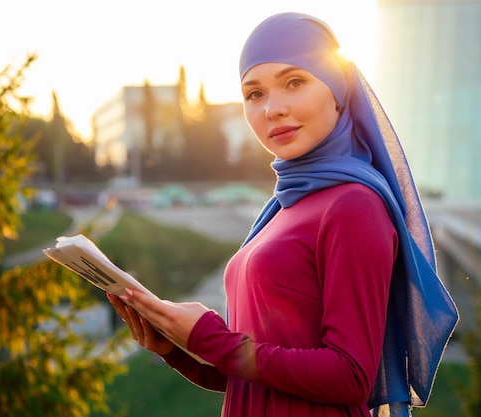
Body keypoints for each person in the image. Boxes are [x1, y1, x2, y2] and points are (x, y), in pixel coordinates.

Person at [108, 12, 458, 417]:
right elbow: (257, 375)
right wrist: (179, 349)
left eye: (294, 82)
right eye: (254, 94)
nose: (273, 108)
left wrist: (211, 337)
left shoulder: (354, 206)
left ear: (337, 89)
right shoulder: (282, 207)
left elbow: (350, 376)